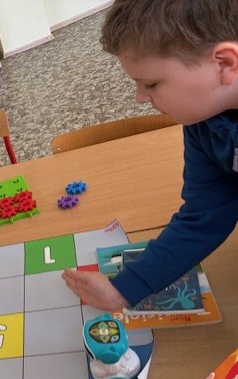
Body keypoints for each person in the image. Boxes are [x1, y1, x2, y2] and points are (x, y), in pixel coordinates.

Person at [62, 0, 238, 311]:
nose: (140, 98)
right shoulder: (202, 119)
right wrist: (124, 288)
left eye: (151, 84)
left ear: (225, 63)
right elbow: (205, 214)